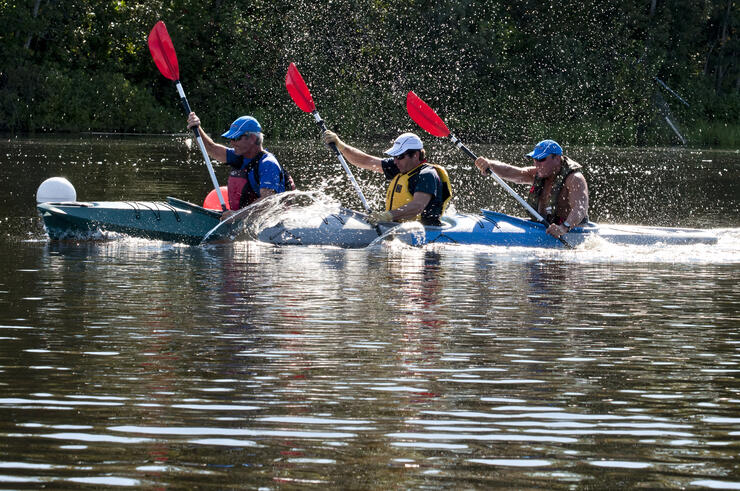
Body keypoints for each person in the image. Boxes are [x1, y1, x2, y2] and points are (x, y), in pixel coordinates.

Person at [322, 131, 452, 226]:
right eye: (394, 156)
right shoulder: (400, 166)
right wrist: (341, 145)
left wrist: (387, 215)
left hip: (425, 232)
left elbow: (417, 206)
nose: (395, 161)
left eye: (399, 156)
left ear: (415, 155)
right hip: (395, 226)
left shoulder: (427, 174)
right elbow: (366, 160)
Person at [187, 112, 294, 218]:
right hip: (245, 217)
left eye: (236, 138)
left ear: (252, 138)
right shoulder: (239, 156)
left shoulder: (268, 164)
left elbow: (267, 202)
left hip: (275, 219)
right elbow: (211, 148)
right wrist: (196, 128)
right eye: (231, 139)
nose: (232, 143)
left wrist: (235, 215)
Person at [474, 139, 588, 238]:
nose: (537, 164)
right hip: (543, 228)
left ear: (557, 159)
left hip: (571, 231)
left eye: (542, 159)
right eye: (535, 159)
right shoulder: (537, 173)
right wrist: (490, 164)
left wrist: (564, 228)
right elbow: (513, 172)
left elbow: (580, 208)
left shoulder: (574, 178)